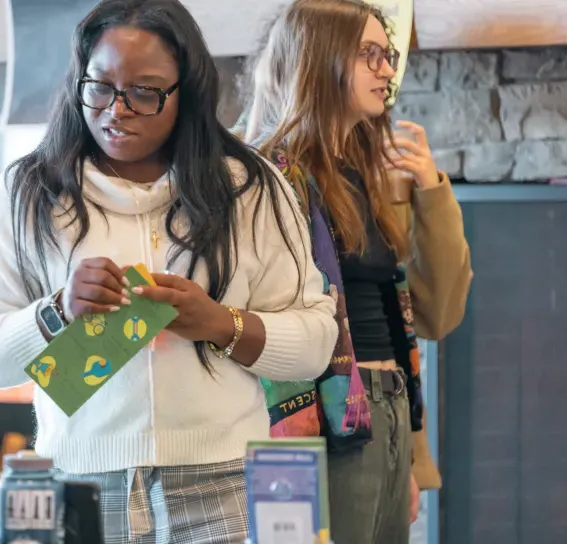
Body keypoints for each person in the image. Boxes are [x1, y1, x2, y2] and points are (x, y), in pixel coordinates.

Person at [0, 0, 339, 541]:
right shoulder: (28, 194)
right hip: (79, 480)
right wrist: (55, 312)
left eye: (145, 91)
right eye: (101, 86)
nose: (117, 109)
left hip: (222, 480)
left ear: (188, 91)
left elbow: (316, 343)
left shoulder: (249, 188)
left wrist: (219, 323)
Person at [237, 0, 472, 542]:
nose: (388, 69)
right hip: (321, 421)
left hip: (389, 405)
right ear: (320, 61)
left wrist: (433, 193)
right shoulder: (266, 176)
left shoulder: (373, 171)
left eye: (387, 54)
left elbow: (438, 317)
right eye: (370, 55)